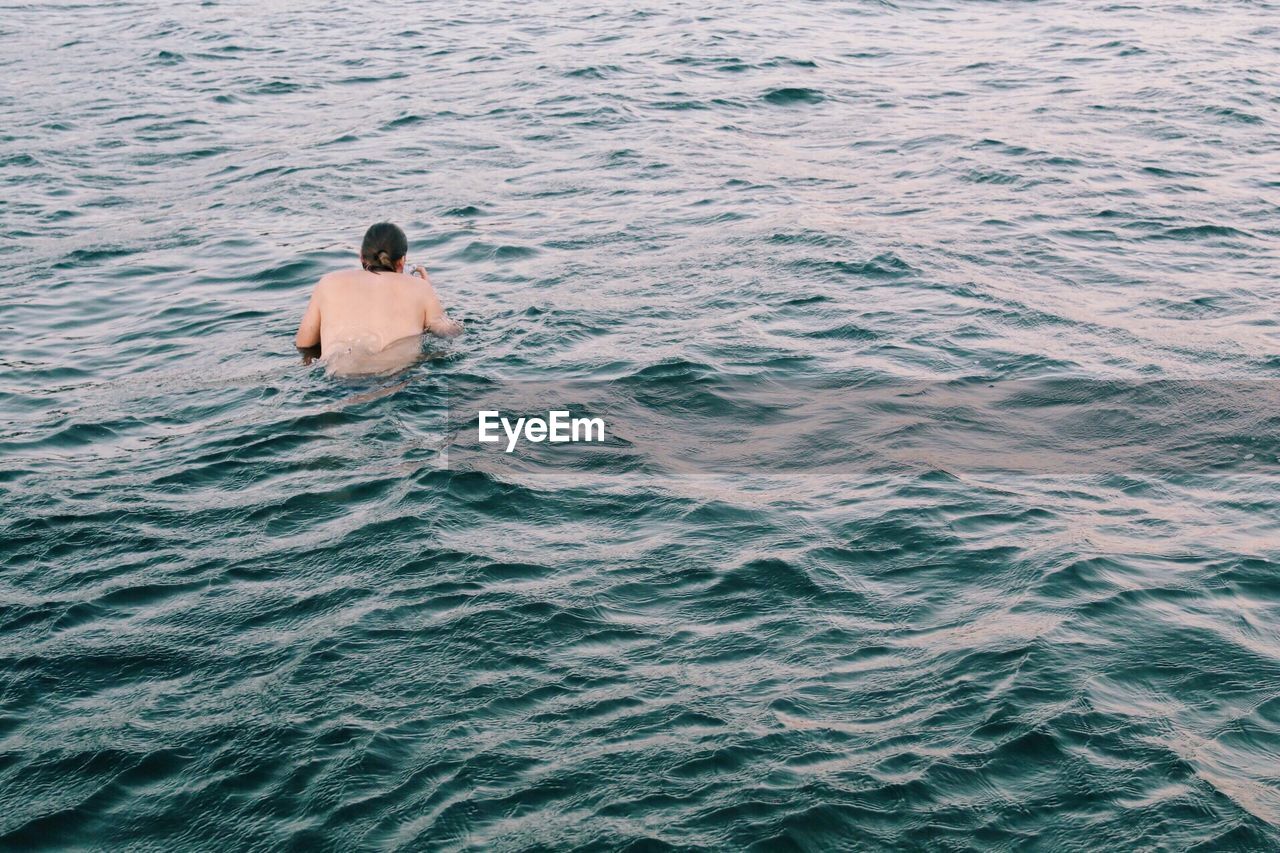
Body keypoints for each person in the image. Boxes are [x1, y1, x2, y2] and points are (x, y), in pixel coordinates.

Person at [295, 222, 461, 375]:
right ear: (402, 261)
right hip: (393, 381)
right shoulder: (419, 287)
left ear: (361, 256)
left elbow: (305, 345)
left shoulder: (328, 283)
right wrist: (428, 294)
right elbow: (449, 333)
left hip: (339, 382)